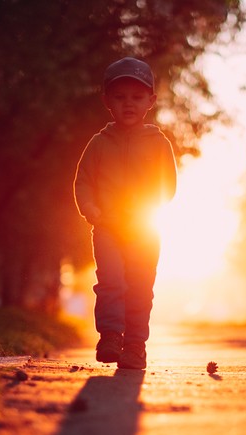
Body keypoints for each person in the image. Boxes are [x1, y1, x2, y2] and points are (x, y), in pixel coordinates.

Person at [74, 57, 177, 369]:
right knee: (111, 281)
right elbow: (83, 181)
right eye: (119, 97)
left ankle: (135, 346)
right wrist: (90, 208)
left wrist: (149, 206)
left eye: (136, 97)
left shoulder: (158, 143)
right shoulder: (98, 143)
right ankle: (110, 336)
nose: (128, 104)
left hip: (145, 230)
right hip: (107, 228)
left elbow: (168, 184)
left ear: (151, 101)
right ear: (107, 101)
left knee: (140, 286)